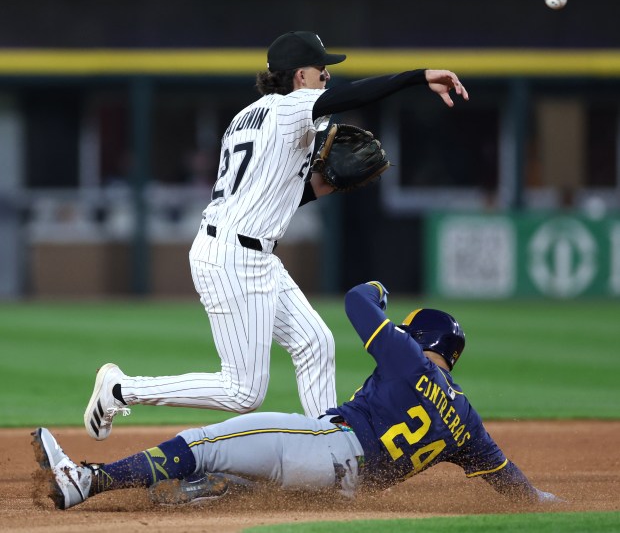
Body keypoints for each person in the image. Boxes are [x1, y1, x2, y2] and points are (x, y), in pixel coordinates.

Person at [83, 30, 470, 441]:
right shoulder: (292, 107)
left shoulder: (245, 117)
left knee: (316, 343)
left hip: (249, 250)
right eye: (322, 70)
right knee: (243, 392)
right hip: (233, 258)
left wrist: (324, 186)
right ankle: (121, 389)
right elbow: (355, 96)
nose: (327, 78)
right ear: (300, 76)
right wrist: (418, 76)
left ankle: (332, 449)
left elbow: (270, 195)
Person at [38, 281, 563, 509]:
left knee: (206, 442)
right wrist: (549, 505)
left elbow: (356, 302)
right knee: (232, 478)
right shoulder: (465, 418)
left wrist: (379, 292)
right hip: (345, 491)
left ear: (419, 338)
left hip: (326, 447)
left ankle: (86, 480)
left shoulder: (407, 358)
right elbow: (516, 489)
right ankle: (187, 493)